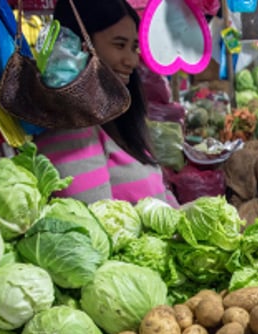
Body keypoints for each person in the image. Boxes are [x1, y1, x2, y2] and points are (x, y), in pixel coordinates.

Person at [35, 0, 175, 205]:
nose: (132, 61)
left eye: (134, 48)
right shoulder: (70, 129)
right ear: (80, 44)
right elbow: (94, 223)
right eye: (119, 45)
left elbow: (162, 197)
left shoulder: (120, 120)